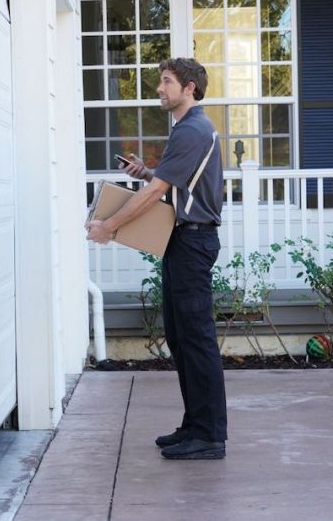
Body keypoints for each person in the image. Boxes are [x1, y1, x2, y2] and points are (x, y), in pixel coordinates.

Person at [86, 57, 227, 460]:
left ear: (190, 89)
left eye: (167, 82)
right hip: (182, 241)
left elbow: (153, 197)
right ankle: (195, 425)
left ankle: (209, 436)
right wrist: (148, 173)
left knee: (196, 341)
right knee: (183, 340)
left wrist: (109, 225)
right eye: (161, 81)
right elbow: (169, 187)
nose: (159, 89)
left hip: (192, 243)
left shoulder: (193, 129)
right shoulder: (188, 129)